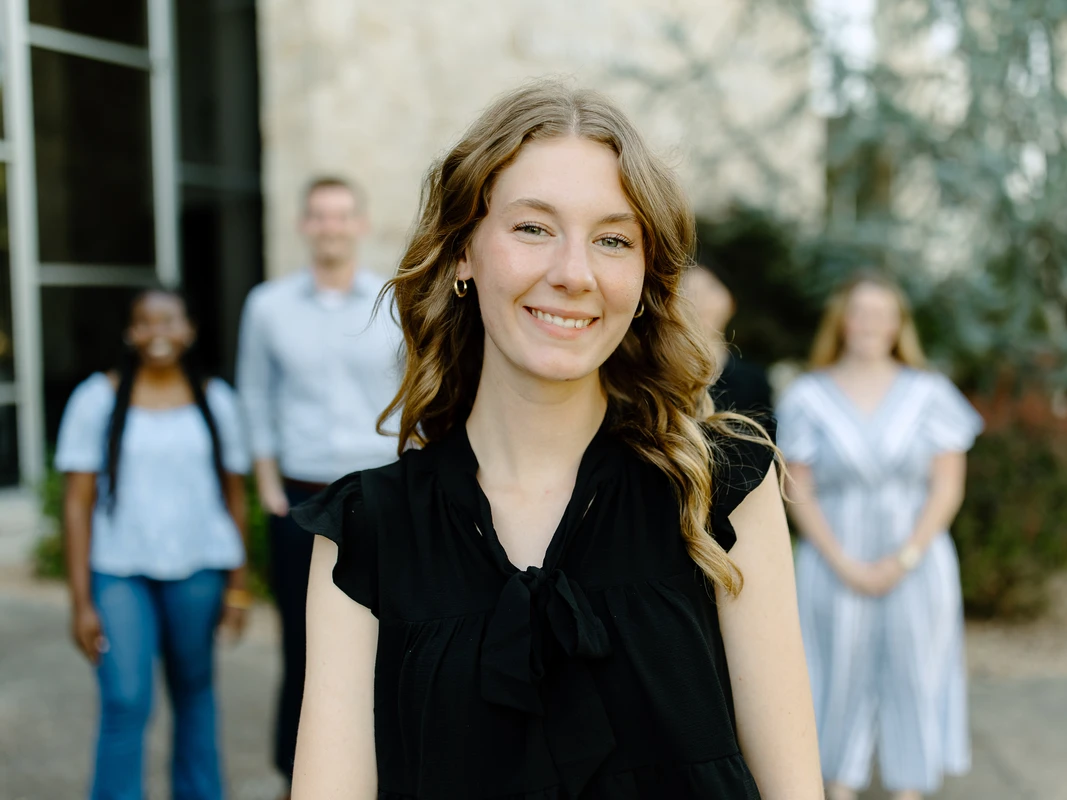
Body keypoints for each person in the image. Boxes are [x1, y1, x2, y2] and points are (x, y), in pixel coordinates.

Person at [287, 82, 824, 799]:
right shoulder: (365, 533)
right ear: (462, 257)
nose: (574, 274)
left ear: (642, 280)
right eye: (534, 228)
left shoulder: (721, 491)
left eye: (612, 239)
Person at [776, 272, 982, 800]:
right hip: (832, 561)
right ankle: (836, 787)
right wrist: (845, 564)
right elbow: (799, 489)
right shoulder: (807, 395)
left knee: (915, 674)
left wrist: (904, 558)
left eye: (881, 314)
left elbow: (947, 488)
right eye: (859, 312)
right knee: (835, 675)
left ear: (898, 325)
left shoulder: (929, 392)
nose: (870, 323)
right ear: (842, 321)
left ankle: (908, 790)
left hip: (917, 563)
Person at [235, 176, 402, 791]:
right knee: (304, 646)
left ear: (359, 224)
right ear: (304, 225)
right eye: (319, 216)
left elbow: (419, 390)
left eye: (341, 216)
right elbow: (253, 394)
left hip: (381, 491)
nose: (331, 227)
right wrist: (267, 483)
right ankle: (297, 774)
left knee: (392, 636)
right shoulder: (268, 305)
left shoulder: (393, 298)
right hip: (301, 497)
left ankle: (384, 767)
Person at [58, 288, 251, 800]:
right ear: (130, 333)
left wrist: (238, 588)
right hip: (120, 571)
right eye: (145, 323)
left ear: (189, 331)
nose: (157, 332)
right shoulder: (94, 400)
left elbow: (235, 499)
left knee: (195, 694)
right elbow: (77, 504)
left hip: (199, 570)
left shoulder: (217, 401)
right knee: (125, 699)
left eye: (169, 321)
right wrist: (80, 602)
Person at [681, 252, 777, 440]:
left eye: (710, 289)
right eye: (688, 291)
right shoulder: (656, 375)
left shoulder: (753, 380)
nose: (700, 302)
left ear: (731, 301)